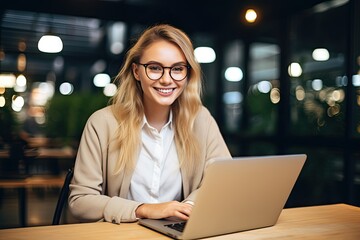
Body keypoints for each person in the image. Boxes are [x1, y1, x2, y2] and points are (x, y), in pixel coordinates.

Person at [68, 24, 232, 224]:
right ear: (137, 71)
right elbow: (80, 202)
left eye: (177, 69)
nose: (166, 79)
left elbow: (223, 182)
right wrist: (144, 210)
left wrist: (187, 208)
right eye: (154, 68)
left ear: (187, 73)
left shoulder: (201, 120)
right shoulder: (102, 123)